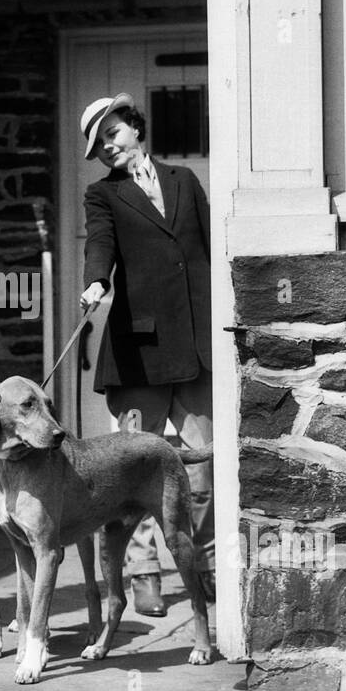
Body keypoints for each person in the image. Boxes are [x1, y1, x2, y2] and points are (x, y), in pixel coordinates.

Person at [79, 92, 214, 617]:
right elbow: (101, 245)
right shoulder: (103, 196)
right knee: (135, 473)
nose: (108, 147)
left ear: (134, 127)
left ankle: (202, 567)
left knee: (203, 470)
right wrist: (95, 282)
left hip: (195, 347)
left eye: (112, 134)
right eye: (98, 144)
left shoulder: (184, 180)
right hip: (137, 353)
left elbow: (208, 245)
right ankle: (144, 576)